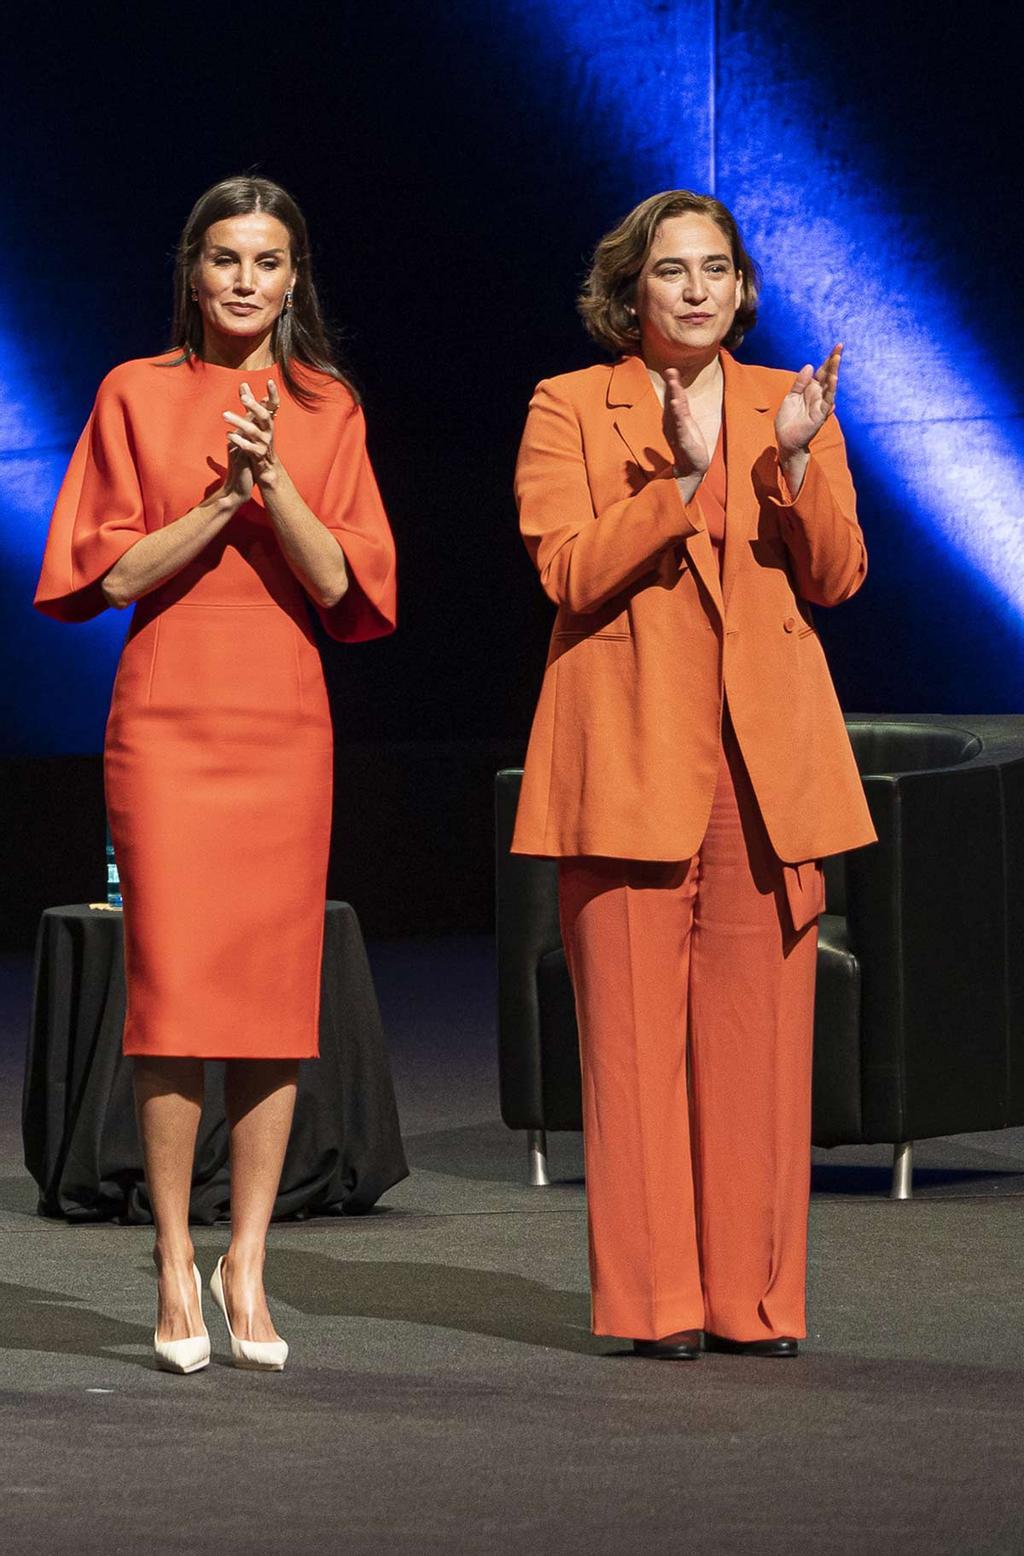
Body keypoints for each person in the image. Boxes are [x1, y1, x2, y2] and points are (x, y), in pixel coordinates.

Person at [35, 176, 397, 1373]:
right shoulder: (134, 391)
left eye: (269, 261)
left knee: (273, 998)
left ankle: (246, 1259)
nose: (246, 280)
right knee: (177, 994)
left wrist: (275, 481)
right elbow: (113, 576)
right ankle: (171, 1256)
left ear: (294, 281)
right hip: (168, 722)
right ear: (193, 271)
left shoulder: (327, 405)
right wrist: (222, 499)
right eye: (227, 258)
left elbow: (342, 586)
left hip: (283, 722)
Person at [512, 189, 876, 1360]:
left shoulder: (787, 402)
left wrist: (795, 462)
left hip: (764, 767)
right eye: (671, 269)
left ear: (742, 287)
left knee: (758, 1046)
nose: (696, 288)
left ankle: (752, 1302)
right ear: (630, 290)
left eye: (716, 267)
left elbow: (837, 576)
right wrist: (675, 481)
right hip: (626, 752)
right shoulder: (571, 403)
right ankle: (655, 1301)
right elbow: (567, 572)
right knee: (629, 1047)